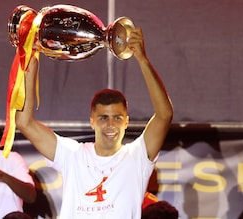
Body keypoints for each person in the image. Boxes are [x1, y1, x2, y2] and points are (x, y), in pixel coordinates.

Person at [16, 27, 173, 218]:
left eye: (117, 118)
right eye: (103, 117)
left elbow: (164, 114)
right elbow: (24, 123)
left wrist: (142, 59)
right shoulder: (72, 155)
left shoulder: (137, 156)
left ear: (126, 122)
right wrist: (30, 59)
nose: (110, 125)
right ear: (92, 121)